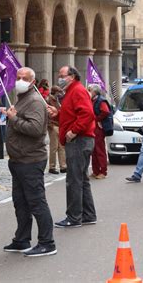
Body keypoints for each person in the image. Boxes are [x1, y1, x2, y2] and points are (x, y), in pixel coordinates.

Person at [2, 67, 57, 257]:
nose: (19, 80)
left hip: (30, 159)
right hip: (19, 159)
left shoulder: (34, 100)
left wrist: (13, 118)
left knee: (36, 202)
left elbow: (34, 128)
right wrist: (12, 115)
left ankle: (47, 242)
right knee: (21, 202)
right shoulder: (22, 98)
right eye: (17, 77)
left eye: (23, 78)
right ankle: (22, 239)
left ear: (32, 81)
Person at [47, 66, 97, 228]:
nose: (59, 78)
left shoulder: (77, 91)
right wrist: (58, 114)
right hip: (81, 139)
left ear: (72, 76)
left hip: (79, 140)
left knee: (74, 180)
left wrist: (73, 131)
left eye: (62, 75)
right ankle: (88, 214)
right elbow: (72, 113)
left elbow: (87, 114)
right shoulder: (72, 91)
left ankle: (74, 217)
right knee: (81, 179)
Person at [87, 84, 112, 179]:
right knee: (93, 150)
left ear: (95, 91)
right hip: (93, 127)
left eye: (90, 90)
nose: (88, 91)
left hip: (98, 128)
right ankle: (95, 170)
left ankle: (103, 171)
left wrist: (96, 119)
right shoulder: (92, 100)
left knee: (99, 150)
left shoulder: (100, 100)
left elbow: (105, 111)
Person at [46, 86, 66, 175]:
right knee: (54, 147)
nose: (60, 93)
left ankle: (63, 166)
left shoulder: (59, 100)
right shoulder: (48, 100)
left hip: (60, 125)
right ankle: (52, 166)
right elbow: (46, 113)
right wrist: (50, 124)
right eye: (59, 91)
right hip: (53, 125)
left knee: (61, 146)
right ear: (55, 92)